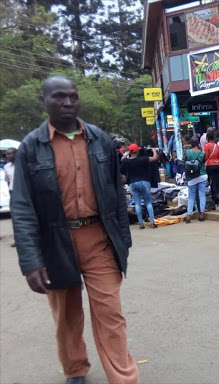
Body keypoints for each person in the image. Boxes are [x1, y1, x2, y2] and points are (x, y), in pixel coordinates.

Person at [11, 75, 138, 384]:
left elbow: (116, 194)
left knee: (110, 313)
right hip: (55, 243)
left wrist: (123, 238)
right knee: (66, 317)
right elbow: (23, 207)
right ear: (44, 101)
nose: (67, 102)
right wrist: (30, 261)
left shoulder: (100, 140)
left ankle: (123, 377)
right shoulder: (30, 147)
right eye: (58, 97)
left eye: (72, 96)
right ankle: (75, 369)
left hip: (99, 239)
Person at [122, 143, 159, 229]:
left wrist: (128, 153)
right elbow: (155, 158)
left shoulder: (126, 161)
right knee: (148, 202)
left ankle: (141, 223)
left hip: (133, 184)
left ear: (130, 151)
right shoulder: (143, 159)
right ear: (138, 151)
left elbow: (122, 159)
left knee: (137, 204)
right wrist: (154, 150)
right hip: (144, 182)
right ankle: (152, 222)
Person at [184, 136, 207, 223]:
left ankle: (189, 216)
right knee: (202, 195)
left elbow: (185, 163)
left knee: (191, 197)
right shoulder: (202, 153)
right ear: (198, 143)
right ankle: (201, 215)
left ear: (191, 143)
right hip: (202, 175)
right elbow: (204, 162)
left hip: (191, 177)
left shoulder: (187, 152)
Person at [204, 130, 219, 197]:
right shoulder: (217, 146)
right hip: (218, 165)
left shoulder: (206, 146)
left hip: (210, 165)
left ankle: (214, 196)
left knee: (212, 182)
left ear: (207, 138)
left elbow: (205, 157)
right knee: (217, 181)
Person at [4, 147, 16, 247]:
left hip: (26, 192)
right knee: (15, 217)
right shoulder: (6, 167)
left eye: (10, 154)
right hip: (13, 192)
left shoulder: (24, 164)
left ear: (16, 154)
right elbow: (7, 181)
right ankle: (17, 239)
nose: (8, 156)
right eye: (7, 154)